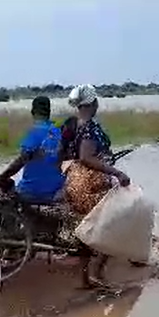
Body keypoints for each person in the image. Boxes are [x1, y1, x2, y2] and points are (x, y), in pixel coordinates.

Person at [63, 84, 131, 289]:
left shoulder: (74, 125)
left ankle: (85, 279)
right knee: (114, 224)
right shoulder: (90, 127)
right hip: (88, 184)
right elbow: (86, 157)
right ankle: (97, 274)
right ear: (92, 103)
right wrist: (117, 172)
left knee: (86, 230)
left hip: (74, 182)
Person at [0, 96, 65, 203]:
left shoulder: (33, 132)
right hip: (56, 189)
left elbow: (20, 162)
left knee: (7, 193)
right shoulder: (58, 132)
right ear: (49, 112)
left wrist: (1, 177)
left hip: (31, 190)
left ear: (33, 112)